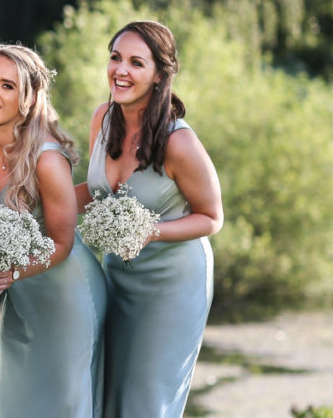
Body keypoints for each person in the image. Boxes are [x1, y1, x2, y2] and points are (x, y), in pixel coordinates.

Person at [79, 21, 222, 417]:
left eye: (136, 63)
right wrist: (31, 202)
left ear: (160, 74)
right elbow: (94, 193)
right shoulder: (103, 119)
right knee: (110, 392)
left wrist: (150, 232)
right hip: (118, 275)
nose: (120, 70)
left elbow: (212, 217)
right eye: (115, 58)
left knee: (147, 400)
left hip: (172, 283)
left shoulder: (179, 141)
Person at [0, 43, 108, 417]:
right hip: (23, 298)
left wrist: (13, 273)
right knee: (19, 401)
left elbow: (63, 242)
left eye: (7, 86)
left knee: (65, 400)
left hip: (65, 292)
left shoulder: (46, 158)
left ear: (28, 97)